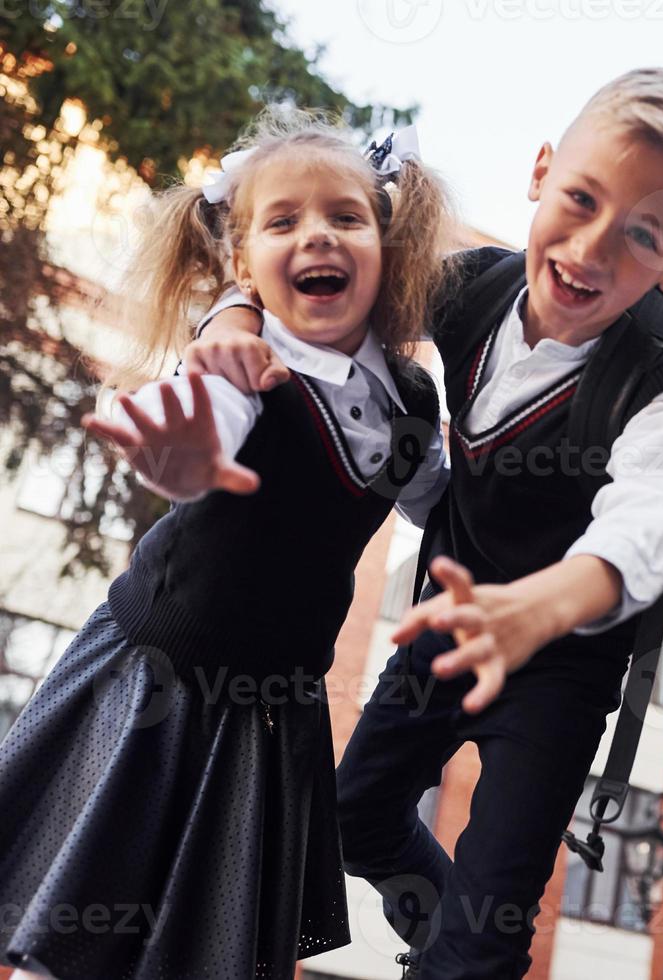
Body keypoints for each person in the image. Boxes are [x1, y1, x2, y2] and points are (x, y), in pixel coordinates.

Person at [190, 68, 663, 980]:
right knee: (354, 818)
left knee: (491, 923)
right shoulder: (465, 289)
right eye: (580, 198)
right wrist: (234, 307)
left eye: (643, 235)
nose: (592, 249)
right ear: (539, 172)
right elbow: (316, 279)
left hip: (561, 668)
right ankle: (448, 943)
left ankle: (468, 953)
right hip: (450, 627)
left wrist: (547, 602)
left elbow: (655, 516)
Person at [0, 107, 452, 980]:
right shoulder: (246, 360)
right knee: (74, 938)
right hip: (157, 684)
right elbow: (205, 423)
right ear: (243, 263)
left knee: (214, 954)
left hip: (273, 717)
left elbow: (444, 505)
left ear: (385, 246)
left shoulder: (406, 397)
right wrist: (182, 456)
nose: (316, 234)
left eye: (344, 217)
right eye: (283, 221)